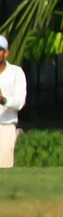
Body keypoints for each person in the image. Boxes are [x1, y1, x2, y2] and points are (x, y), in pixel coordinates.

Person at [0, 35, 27, 168]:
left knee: (4, 171)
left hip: (5, 127)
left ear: (6, 53)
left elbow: (20, 102)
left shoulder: (16, 73)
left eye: (0, 49)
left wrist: (3, 100)